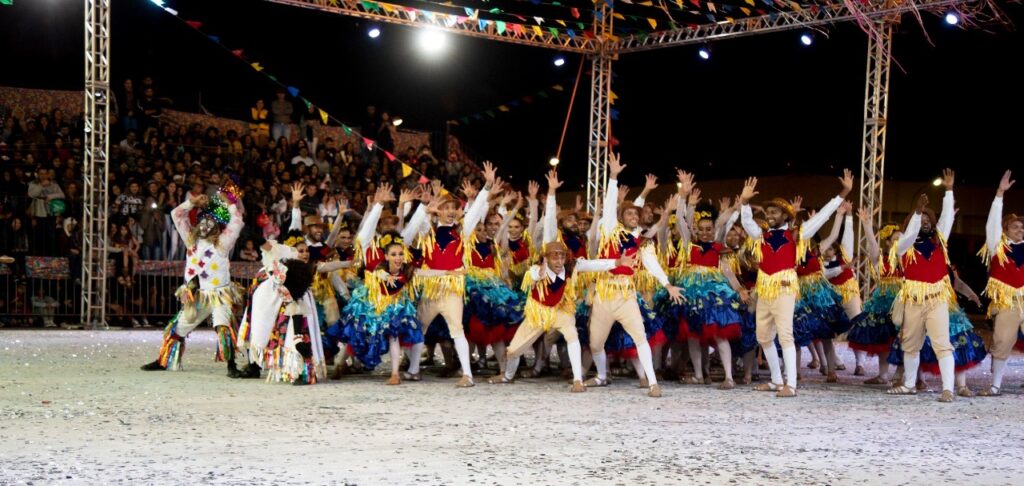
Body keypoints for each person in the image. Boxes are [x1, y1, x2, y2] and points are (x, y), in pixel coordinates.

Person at [737, 169, 853, 397]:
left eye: (774, 212)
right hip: (765, 289)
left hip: (784, 288)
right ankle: (776, 380)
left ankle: (791, 384)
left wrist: (843, 193)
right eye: (768, 212)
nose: (769, 215)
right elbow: (747, 221)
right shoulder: (761, 235)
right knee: (763, 336)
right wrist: (744, 201)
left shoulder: (796, 234)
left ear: (786, 216)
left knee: (785, 335)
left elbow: (822, 217)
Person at [140, 190, 244, 376]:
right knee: (178, 328)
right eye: (203, 221)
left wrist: (230, 204)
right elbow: (176, 215)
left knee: (223, 327)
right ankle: (163, 360)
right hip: (197, 295)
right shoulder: (191, 241)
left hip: (220, 295)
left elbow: (236, 221)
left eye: (210, 223)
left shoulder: (223, 242)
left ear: (217, 228)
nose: (205, 225)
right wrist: (192, 202)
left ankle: (231, 365)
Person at [977, 170, 1024, 396]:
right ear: (1005, 230)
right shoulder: (997, 246)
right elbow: (992, 225)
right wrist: (999, 195)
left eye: (1022, 227)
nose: (1020, 230)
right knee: (1002, 341)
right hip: (1007, 302)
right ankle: (995, 385)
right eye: (1015, 227)